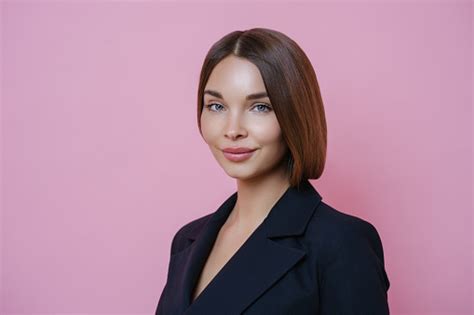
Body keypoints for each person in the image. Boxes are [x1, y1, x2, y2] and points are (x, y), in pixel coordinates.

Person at [155, 28, 390, 314]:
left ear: (294, 114)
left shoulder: (341, 243)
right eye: (216, 106)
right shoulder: (187, 240)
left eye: (260, 107)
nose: (232, 130)